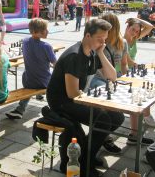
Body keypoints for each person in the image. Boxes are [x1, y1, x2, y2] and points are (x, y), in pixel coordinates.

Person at [46, 19, 125, 177]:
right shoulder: (75, 56)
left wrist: (102, 52)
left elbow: (113, 77)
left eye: (105, 39)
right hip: (61, 101)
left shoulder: (93, 52)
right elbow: (72, 94)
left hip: (77, 98)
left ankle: (84, 152)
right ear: (88, 35)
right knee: (102, 119)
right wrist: (97, 103)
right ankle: (85, 163)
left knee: (117, 116)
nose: (103, 42)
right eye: (99, 39)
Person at [90, 13, 128, 155]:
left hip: (112, 79)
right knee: (108, 107)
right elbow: (101, 71)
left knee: (116, 114)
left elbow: (124, 65)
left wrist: (128, 81)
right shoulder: (98, 43)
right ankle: (103, 137)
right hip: (97, 79)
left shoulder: (122, 42)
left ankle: (101, 136)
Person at [6, 18, 57, 119]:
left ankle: (20, 109)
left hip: (29, 81)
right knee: (55, 79)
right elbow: (56, 64)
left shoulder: (25, 42)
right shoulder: (46, 46)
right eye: (45, 30)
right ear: (36, 32)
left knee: (28, 73)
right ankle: (55, 107)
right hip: (43, 82)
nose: (48, 31)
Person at [124, 18, 155, 138]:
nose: (135, 32)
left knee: (148, 85)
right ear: (127, 27)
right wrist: (143, 67)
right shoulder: (122, 40)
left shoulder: (135, 39)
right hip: (121, 72)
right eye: (133, 29)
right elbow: (129, 61)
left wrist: (137, 19)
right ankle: (144, 118)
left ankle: (146, 115)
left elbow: (150, 27)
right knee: (140, 89)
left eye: (137, 31)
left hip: (130, 71)